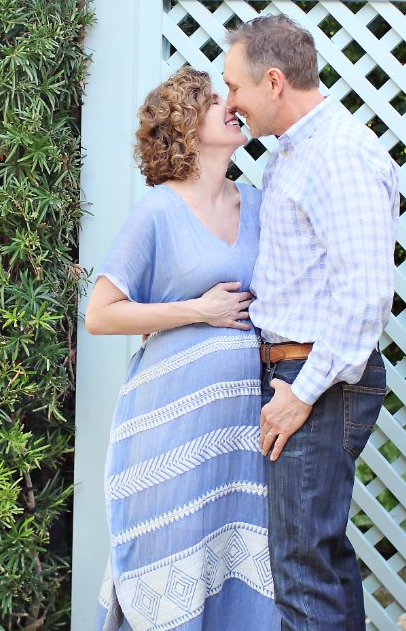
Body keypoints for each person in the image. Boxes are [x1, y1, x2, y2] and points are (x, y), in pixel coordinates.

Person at [85, 66, 281, 631]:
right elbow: (100, 313)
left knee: (246, 558)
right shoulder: (158, 212)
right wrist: (198, 310)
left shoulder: (261, 205)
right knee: (172, 555)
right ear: (185, 127)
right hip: (168, 430)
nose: (231, 105)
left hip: (243, 429)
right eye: (214, 100)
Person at [222, 14, 399, 631]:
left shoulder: (338, 155)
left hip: (318, 378)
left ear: (273, 82)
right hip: (300, 373)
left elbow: (366, 293)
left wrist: (300, 392)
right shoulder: (294, 154)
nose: (231, 103)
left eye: (235, 88)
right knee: (318, 558)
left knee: (300, 568)